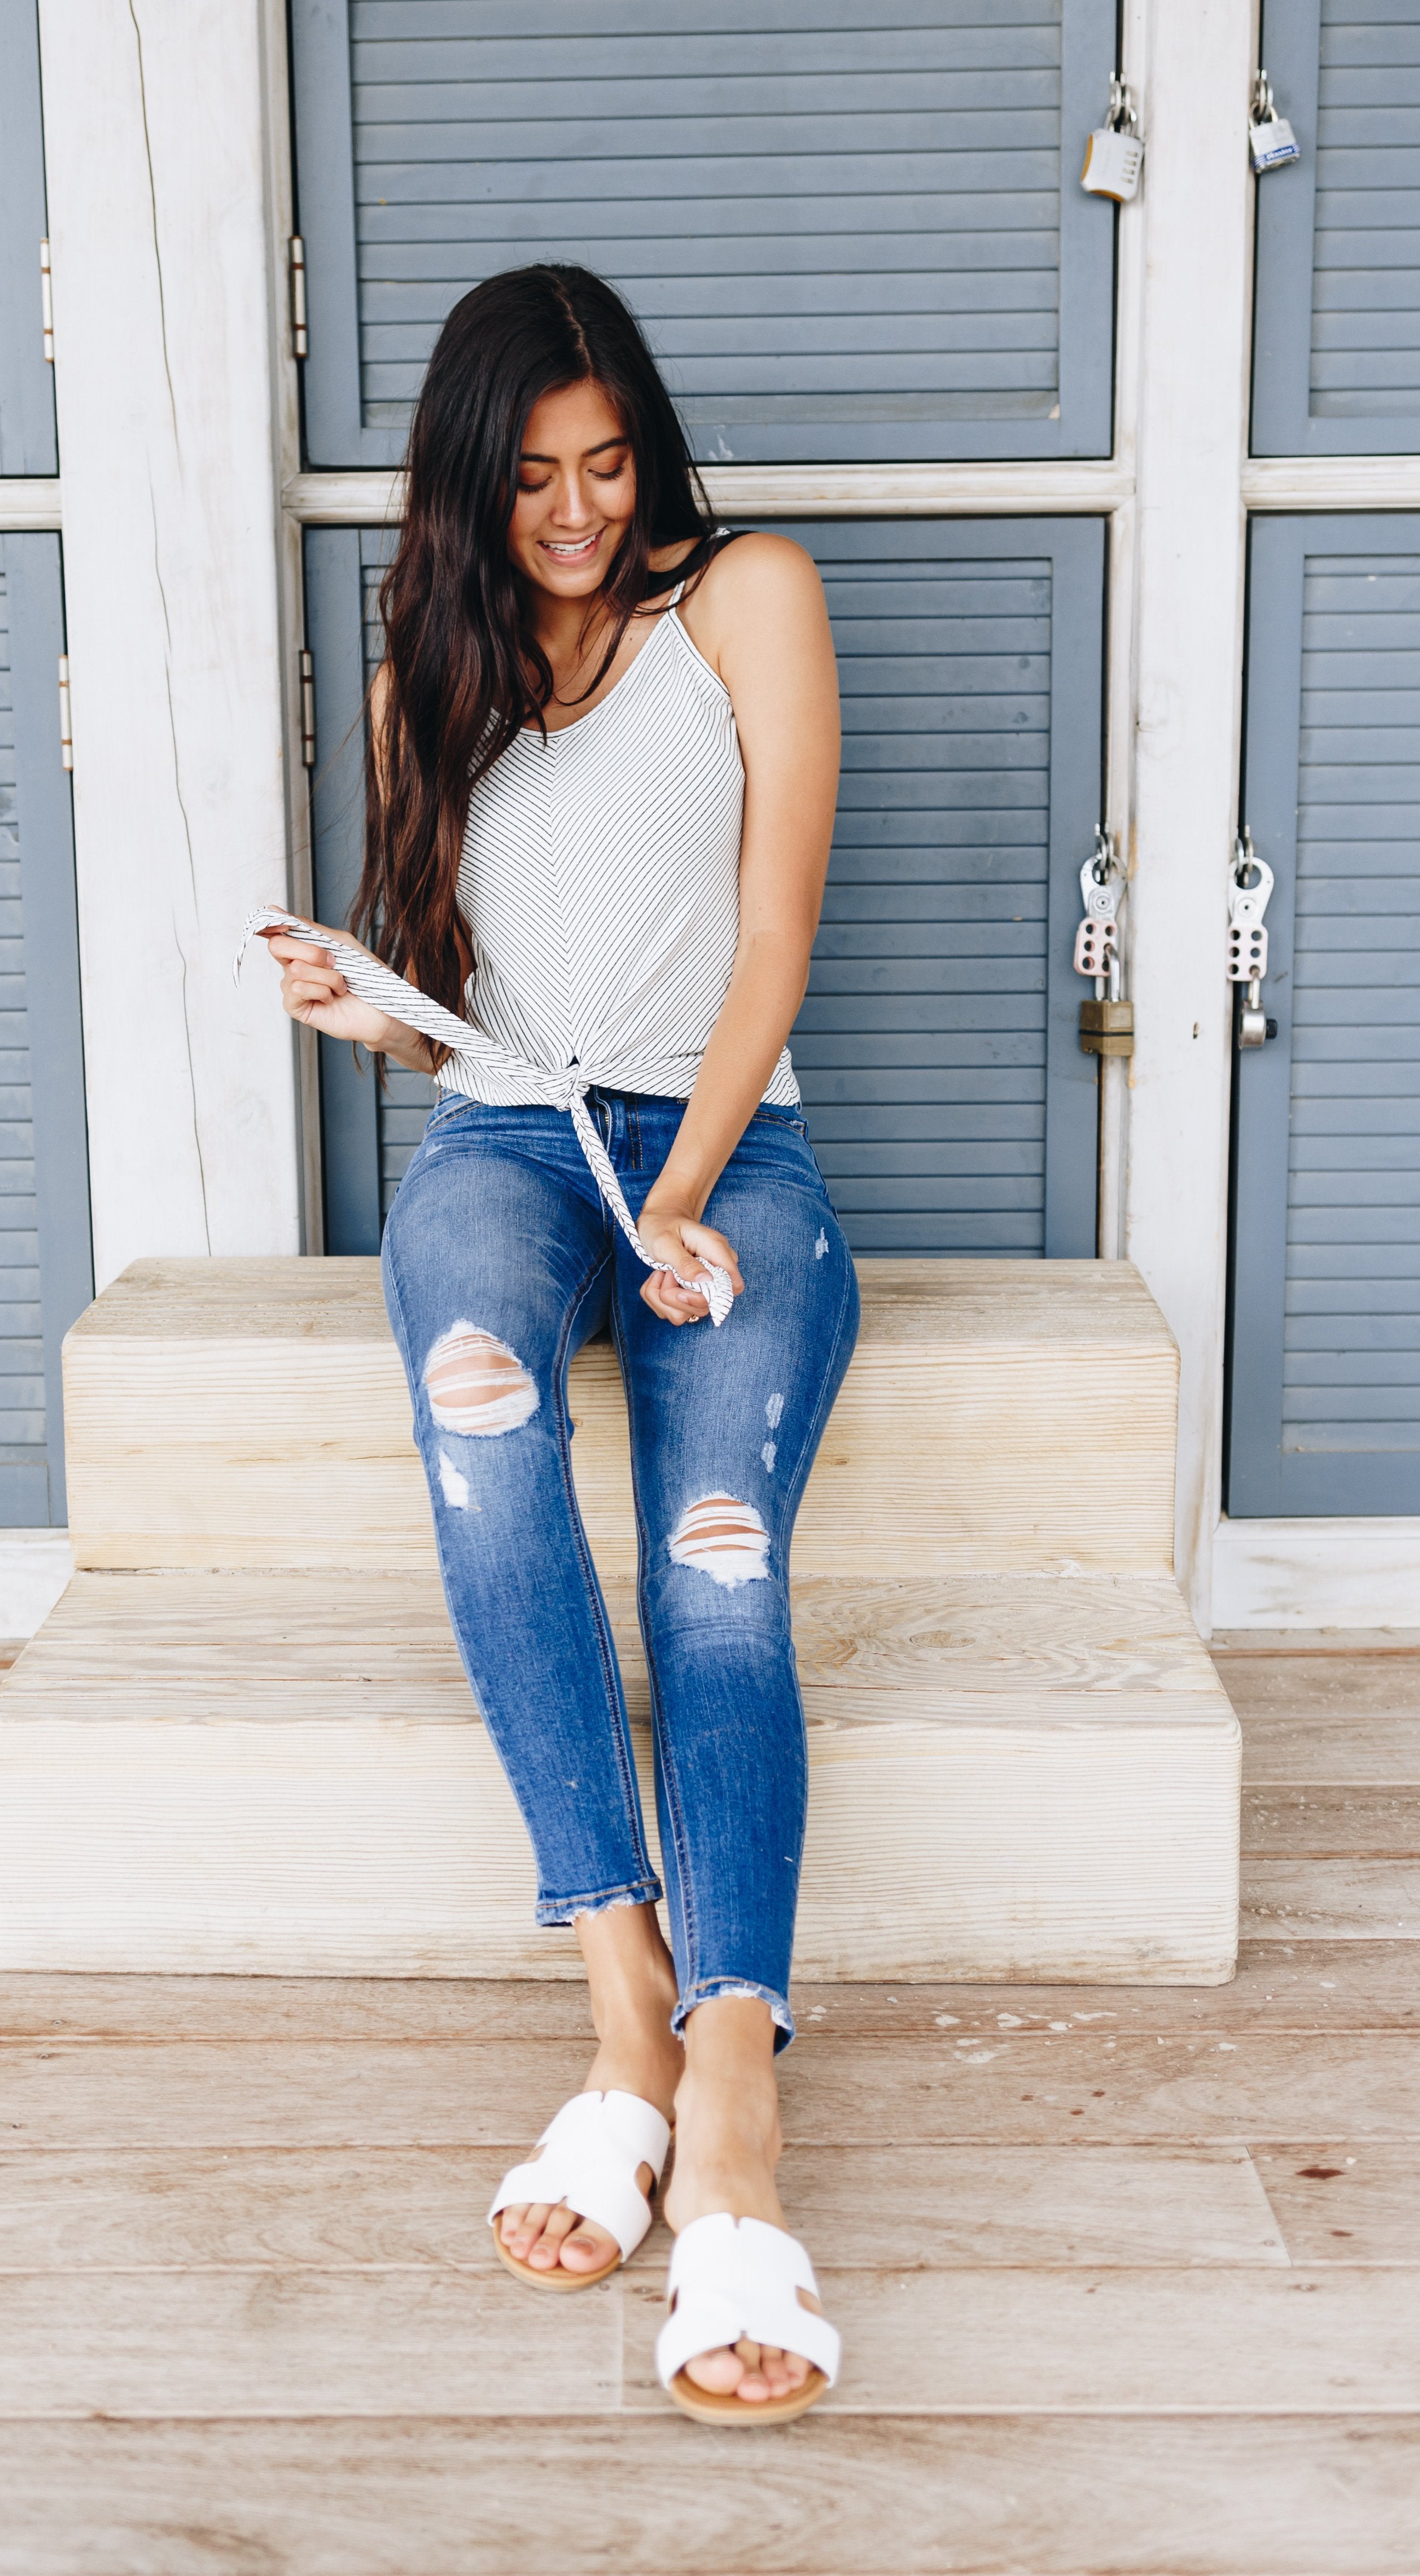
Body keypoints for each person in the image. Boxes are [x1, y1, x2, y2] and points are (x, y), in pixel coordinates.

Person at [266, 263, 857, 2423]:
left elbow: (774, 923)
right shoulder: (446, 651)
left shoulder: (748, 601)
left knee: (714, 1551)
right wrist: (371, 994)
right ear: (473, 481)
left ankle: (734, 2113)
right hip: (505, 1142)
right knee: (478, 1403)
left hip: (725, 1152)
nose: (582, 512)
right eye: (534, 478)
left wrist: (691, 1185)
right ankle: (624, 2000)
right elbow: (472, 989)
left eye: (610, 466)